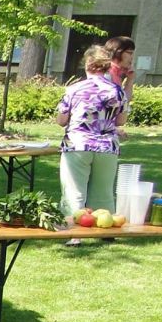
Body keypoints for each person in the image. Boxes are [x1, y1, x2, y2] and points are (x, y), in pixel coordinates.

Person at [56, 45, 127, 247]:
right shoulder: (117, 90)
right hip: (107, 146)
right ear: (106, 66)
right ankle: (105, 232)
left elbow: (61, 120)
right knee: (104, 192)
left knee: (74, 191)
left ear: (87, 64)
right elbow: (121, 120)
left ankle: (73, 234)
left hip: (77, 145)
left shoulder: (74, 89)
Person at [104, 36, 135, 102]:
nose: (132, 57)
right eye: (129, 53)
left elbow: (124, 100)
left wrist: (130, 79)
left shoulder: (117, 73)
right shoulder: (106, 74)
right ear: (117, 52)